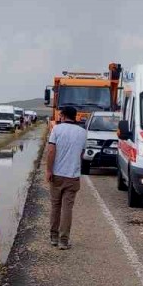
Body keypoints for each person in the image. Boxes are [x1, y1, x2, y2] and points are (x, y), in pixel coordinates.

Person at [44, 105, 86, 250]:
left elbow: (50, 151)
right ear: (75, 116)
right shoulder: (82, 132)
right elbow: (81, 154)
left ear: (62, 115)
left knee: (55, 206)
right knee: (67, 208)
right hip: (72, 176)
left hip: (57, 174)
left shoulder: (56, 129)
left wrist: (49, 170)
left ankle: (53, 237)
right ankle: (64, 241)